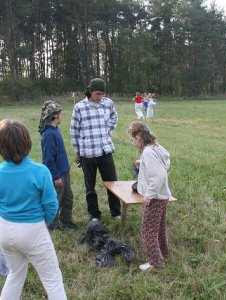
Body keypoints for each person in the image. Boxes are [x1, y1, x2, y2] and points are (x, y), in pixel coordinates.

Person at [0, 119, 67, 300]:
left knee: (14, 274)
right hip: (33, 230)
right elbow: (51, 204)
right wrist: (42, 222)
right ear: (28, 142)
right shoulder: (40, 171)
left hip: (5, 230)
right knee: (52, 278)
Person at [70, 78, 121, 221]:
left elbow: (114, 116)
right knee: (90, 186)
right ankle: (94, 214)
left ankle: (116, 212)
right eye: (98, 94)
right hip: (87, 152)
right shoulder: (79, 107)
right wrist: (78, 152)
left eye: (102, 94)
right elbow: (74, 131)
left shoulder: (108, 103)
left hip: (105, 150)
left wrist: (107, 130)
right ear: (90, 91)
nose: (100, 97)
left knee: (112, 183)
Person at [128, 122, 171, 271]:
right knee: (159, 227)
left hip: (155, 198)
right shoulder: (156, 147)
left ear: (139, 137)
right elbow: (166, 160)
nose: (132, 142)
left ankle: (155, 261)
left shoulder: (147, 152)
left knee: (148, 230)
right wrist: (144, 163)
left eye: (132, 139)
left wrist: (149, 196)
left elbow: (158, 176)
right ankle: (164, 252)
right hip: (163, 196)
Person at [38, 100, 77, 230]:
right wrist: (56, 176)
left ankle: (65, 220)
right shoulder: (49, 134)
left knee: (67, 197)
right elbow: (48, 160)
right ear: (55, 116)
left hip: (64, 172)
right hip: (57, 175)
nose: (61, 116)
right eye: (60, 114)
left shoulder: (55, 130)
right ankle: (52, 225)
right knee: (56, 199)